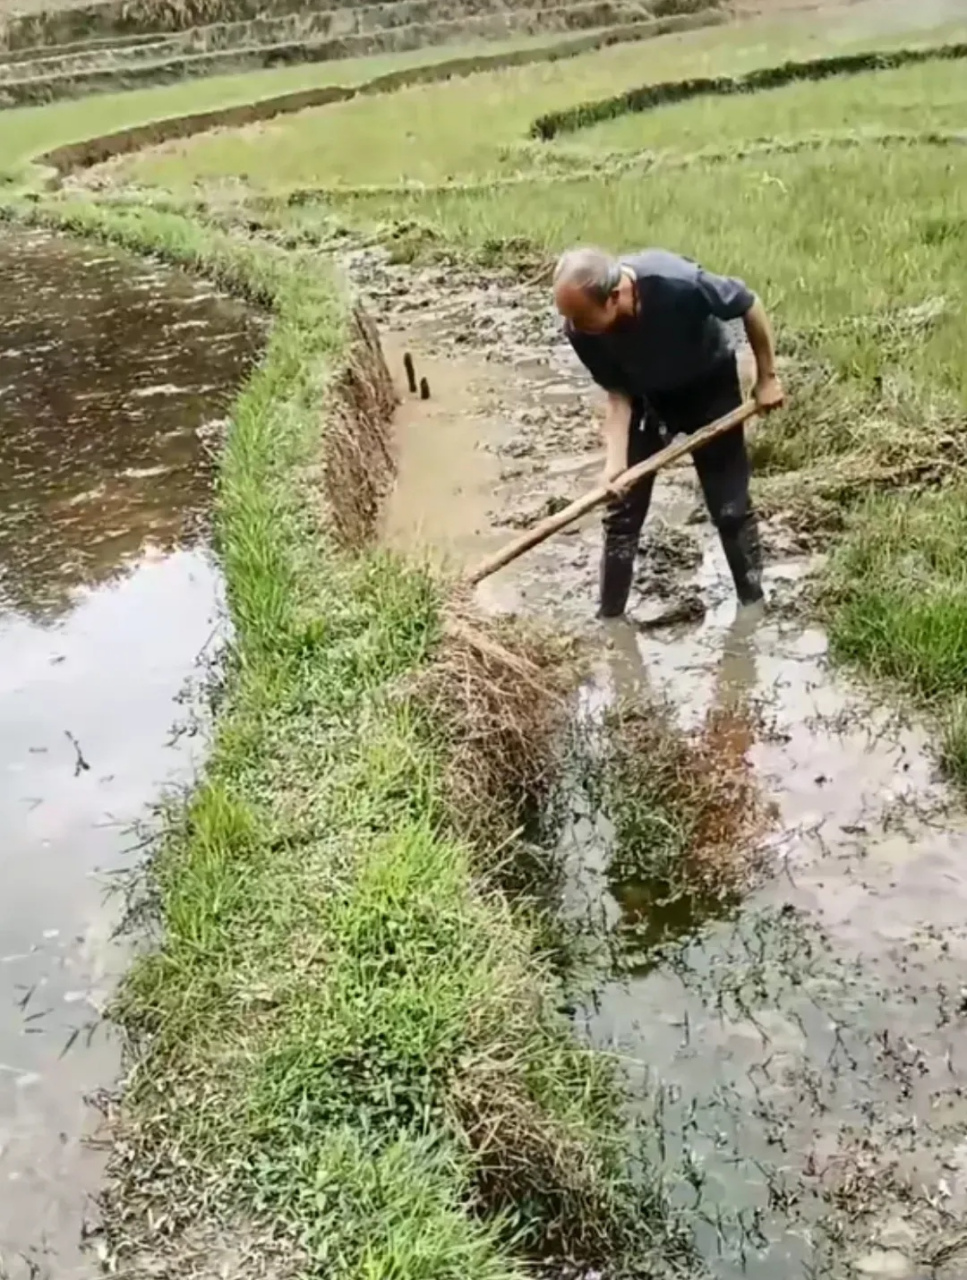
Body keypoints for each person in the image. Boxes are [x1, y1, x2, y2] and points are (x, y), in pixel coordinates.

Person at [553, 245, 784, 617]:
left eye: (582, 317)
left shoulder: (677, 283)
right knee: (621, 511)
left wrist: (767, 377)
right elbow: (617, 396)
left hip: (709, 387)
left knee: (729, 508)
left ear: (614, 297)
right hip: (647, 400)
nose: (575, 328)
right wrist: (615, 464)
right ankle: (610, 620)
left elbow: (749, 303)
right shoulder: (579, 330)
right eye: (570, 318)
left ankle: (752, 607)